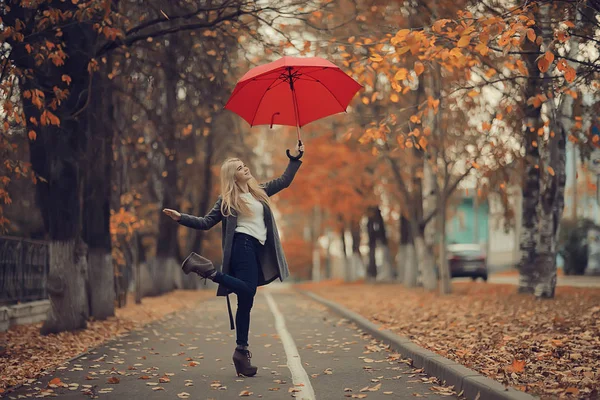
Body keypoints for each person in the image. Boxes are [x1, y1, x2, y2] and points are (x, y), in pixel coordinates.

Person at [162, 143, 304, 377]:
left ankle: (241, 352)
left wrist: (295, 158)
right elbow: (206, 222)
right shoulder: (227, 200)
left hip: (256, 250)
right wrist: (181, 218)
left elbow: (284, 180)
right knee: (248, 291)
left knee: (246, 300)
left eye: (244, 165)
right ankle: (208, 271)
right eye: (240, 167)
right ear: (232, 176)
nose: (245, 168)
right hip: (241, 247)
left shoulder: (259, 191)